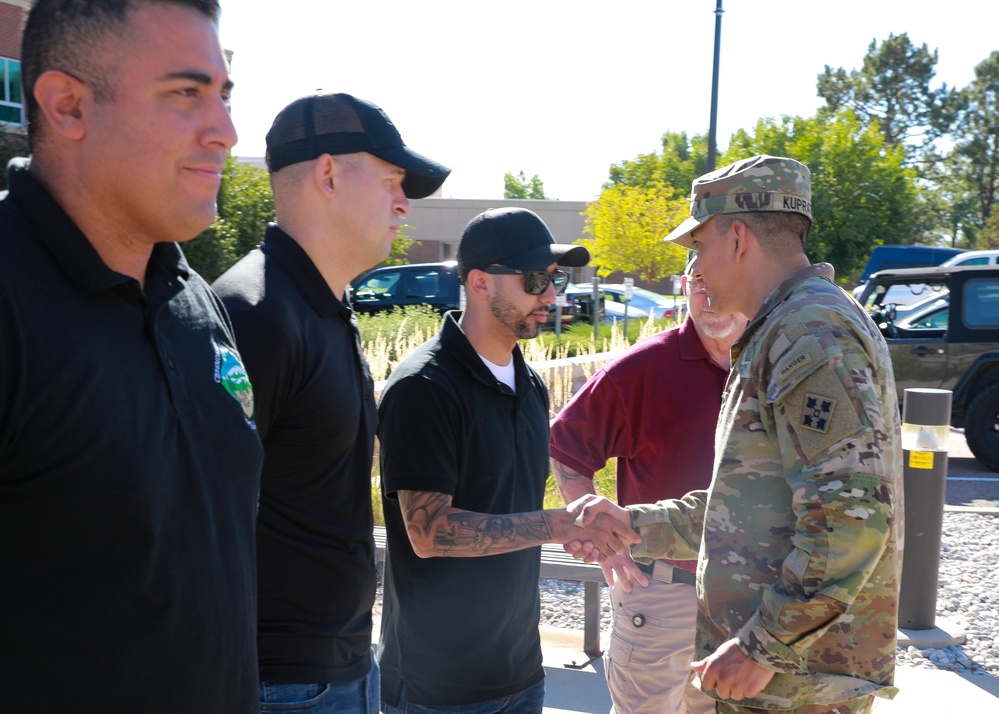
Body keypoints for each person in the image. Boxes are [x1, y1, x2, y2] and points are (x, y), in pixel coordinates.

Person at [0, 1, 264, 712]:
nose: (226, 132)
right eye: (185, 93)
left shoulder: (190, 298)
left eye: (223, 95)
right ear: (68, 105)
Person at [573, 155, 904, 714]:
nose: (696, 267)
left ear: (738, 237)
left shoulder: (808, 333)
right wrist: (635, 526)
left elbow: (849, 518)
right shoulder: (789, 327)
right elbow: (751, 507)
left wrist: (762, 648)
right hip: (784, 683)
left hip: (795, 688)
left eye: (697, 246)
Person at [212, 92, 450, 714]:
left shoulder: (323, 306)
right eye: (393, 181)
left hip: (340, 666)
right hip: (281, 681)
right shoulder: (254, 313)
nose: (403, 204)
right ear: (327, 175)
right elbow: (198, 513)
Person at [376, 207, 641, 713]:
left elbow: (514, 510)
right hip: (439, 686)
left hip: (520, 672)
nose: (550, 295)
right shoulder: (423, 388)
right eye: (536, 279)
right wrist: (553, 525)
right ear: (479, 282)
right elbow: (429, 533)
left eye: (556, 279)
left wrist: (575, 527)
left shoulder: (529, 384)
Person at [550, 256, 747, 714]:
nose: (710, 295)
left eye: (721, 281)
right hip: (662, 595)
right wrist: (605, 543)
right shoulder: (644, 367)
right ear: (684, 286)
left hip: (744, 599)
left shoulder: (769, 366)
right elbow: (566, 447)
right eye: (699, 281)